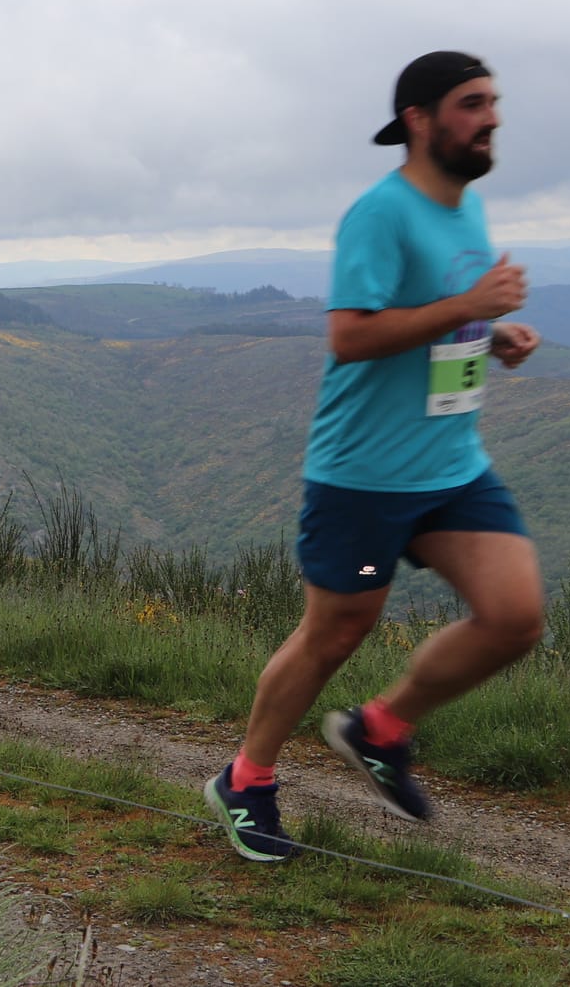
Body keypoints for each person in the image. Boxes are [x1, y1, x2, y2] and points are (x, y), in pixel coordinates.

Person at [205, 51, 545, 861]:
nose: (491, 116)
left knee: (514, 617)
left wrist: (489, 335)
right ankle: (245, 779)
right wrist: (471, 304)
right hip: (364, 473)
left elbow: (431, 316)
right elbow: (351, 334)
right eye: (472, 103)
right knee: (334, 634)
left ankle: (380, 728)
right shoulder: (379, 213)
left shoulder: (466, 210)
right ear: (421, 120)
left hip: (451, 464)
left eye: (494, 101)